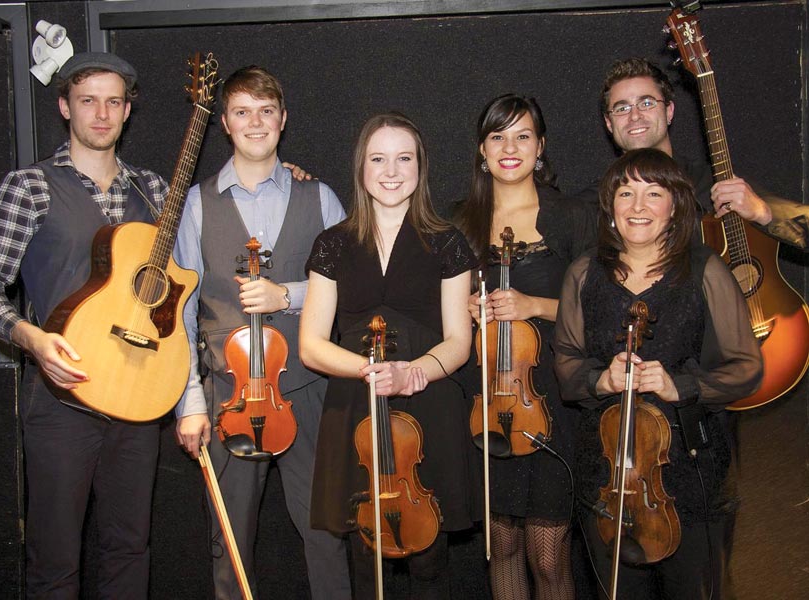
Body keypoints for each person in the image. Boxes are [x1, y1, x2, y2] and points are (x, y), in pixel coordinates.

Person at [0, 53, 166, 597]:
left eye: (114, 102)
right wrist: (28, 337)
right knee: (54, 558)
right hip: (61, 398)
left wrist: (287, 171)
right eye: (88, 100)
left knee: (130, 548)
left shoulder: (153, 191)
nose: (102, 114)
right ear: (64, 107)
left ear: (128, 111)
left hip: (138, 393)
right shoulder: (29, 187)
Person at [173, 65, 350, 600]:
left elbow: (349, 288)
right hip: (227, 394)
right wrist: (189, 402)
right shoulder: (196, 203)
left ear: (283, 119)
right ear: (225, 122)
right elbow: (181, 311)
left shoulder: (320, 197)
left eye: (266, 111)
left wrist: (287, 295)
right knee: (228, 539)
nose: (255, 123)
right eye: (242, 112)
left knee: (326, 531)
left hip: (307, 388)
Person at [553, 148, 763, 599]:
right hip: (608, 473)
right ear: (609, 206)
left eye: (654, 193)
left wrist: (679, 385)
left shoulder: (705, 270)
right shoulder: (583, 272)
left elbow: (747, 368)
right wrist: (601, 380)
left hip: (688, 469)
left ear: (675, 206)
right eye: (625, 193)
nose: (638, 206)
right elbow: (567, 363)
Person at [300, 112, 480, 599]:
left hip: (429, 401)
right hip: (355, 404)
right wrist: (373, 371)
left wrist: (412, 374)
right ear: (361, 167)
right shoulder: (332, 244)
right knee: (364, 559)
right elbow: (311, 345)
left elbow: (458, 342)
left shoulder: (447, 242)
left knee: (430, 561)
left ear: (421, 167)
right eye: (378, 159)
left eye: (404, 158)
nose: (392, 171)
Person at [453, 94, 595, 600]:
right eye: (497, 137)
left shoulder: (572, 215)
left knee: (549, 557)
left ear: (541, 147)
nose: (509, 148)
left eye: (522, 136)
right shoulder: (458, 220)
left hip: (551, 403)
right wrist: (463, 308)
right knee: (504, 547)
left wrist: (535, 304)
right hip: (485, 402)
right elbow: (433, 311)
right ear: (482, 150)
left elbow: (603, 308)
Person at [589, 57, 809, 249]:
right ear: (608, 122)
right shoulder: (592, 205)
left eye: (646, 103)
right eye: (622, 108)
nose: (635, 115)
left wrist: (763, 212)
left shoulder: (715, 182)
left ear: (669, 111)